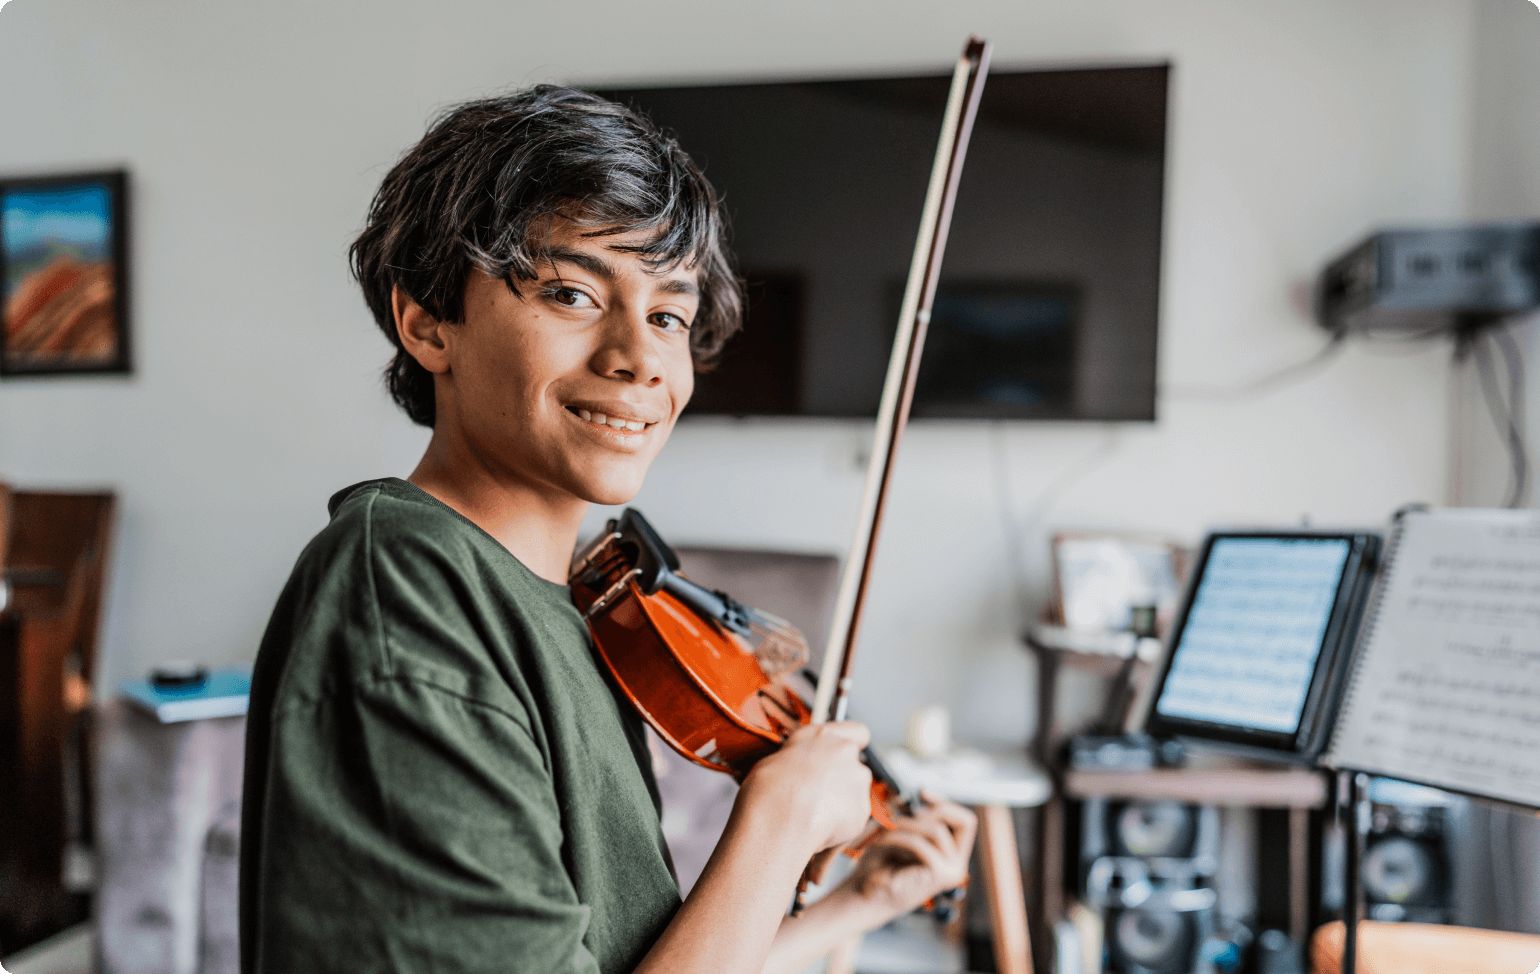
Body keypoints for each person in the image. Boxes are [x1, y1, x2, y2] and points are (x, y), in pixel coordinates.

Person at [239, 85, 976, 974]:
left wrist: (855, 907)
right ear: (428, 324)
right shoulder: (407, 591)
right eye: (573, 293)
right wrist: (779, 822)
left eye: (668, 314)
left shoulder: (573, 607)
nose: (640, 357)